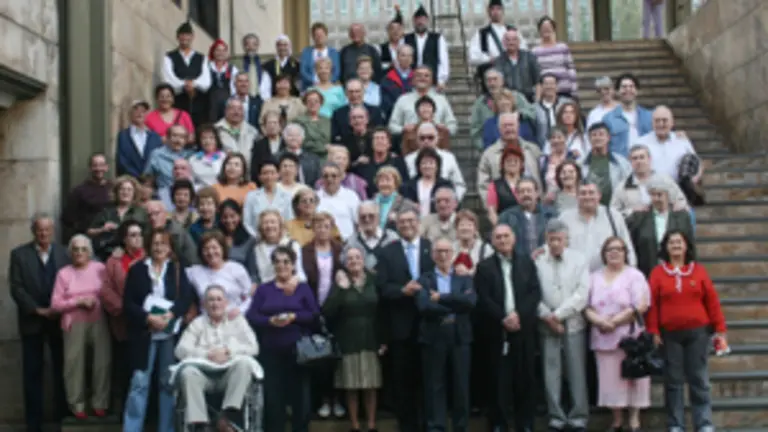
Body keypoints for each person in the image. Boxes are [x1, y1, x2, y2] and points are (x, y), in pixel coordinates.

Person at [647, 230, 727, 432]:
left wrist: (720, 330)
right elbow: (653, 305)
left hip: (698, 334)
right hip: (669, 335)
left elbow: (712, 301)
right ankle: (676, 424)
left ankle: (704, 423)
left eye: (679, 242)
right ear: (665, 247)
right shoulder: (657, 273)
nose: (675, 245)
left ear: (686, 246)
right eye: (671, 242)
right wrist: (654, 331)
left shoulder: (698, 271)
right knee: (673, 380)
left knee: (698, 378)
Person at [122, 228, 195, 432]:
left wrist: (170, 315)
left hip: (169, 333)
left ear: (170, 247)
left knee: (167, 383)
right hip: (143, 333)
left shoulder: (177, 269)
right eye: (155, 243)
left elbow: (185, 298)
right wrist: (148, 318)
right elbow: (128, 303)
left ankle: (167, 429)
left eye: (163, 243)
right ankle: (131, 428)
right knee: (139, 383)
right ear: (148, 245)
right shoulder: (137, 270)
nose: (159, 247)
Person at [474, 224, 541, 432]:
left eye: (506, 236)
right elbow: (483, 299)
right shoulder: (484, 267)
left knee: (525, 378)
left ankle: (525, 423)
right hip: (496, 331)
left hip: (523, 328)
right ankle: (499, 422)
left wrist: (518, 315)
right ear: (492, 242)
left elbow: (534, 293)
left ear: (514, 238)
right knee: (498, 379)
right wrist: (503, 318)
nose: (502, 240)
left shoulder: (526, 263)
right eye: (498, 237)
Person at [246, 246, 319, 432]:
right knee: (273, 398)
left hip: (298, 350)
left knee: (300, 398)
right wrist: (270, 320)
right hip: (271, 349)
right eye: (277, 261)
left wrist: (294, 317)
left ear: (293, 265)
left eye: (286, 261)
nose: (281, 265)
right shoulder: (264, 290)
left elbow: (314, 314)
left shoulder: (302, 288)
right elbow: (252, 316)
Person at [376, 207, 435, 432]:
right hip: (400, 327)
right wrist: (403, 290)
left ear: (418, 222)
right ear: (396, 226)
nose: (407, 225)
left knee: (429, 380)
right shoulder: (387, 252)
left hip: (428, 324)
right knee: (403, 381)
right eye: (402, 222)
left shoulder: (431, 248)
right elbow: (382, 287)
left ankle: (429, 424)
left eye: (411, 220)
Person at [10, 214, 70, 431]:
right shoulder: (19, 254)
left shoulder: (65, 253)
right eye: (39, 230)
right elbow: (16, 287)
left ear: (52, 230)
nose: (43, 234)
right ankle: (33, 424)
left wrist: (59, 308)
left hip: (59, 321)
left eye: (47, 229)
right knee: (32, 373)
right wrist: (37, 310)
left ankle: (63, 417)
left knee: (62, 370)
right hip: (32, 321)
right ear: (33, 231)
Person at [584, 236, 650, 432]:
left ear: (625, 253)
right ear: (604, 254)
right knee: (610, 381)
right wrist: (600, 321)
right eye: (609, 249)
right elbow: (585, 306)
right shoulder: (593, 277)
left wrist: (614, 321)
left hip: (629, 337)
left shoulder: (635, 276)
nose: (614, 252)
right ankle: (617, 420)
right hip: (602, 336)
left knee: (634, 379)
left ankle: (634, 420)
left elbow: (641, 305)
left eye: (619, 249)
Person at [173, 285, 260, 432]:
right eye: (211, 300)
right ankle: (201, 424)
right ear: (205, 305)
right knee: (188, 372)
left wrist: (228, 351)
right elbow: (180, 350)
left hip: (229, 375)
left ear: (226, 303)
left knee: (244, 365)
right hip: (204, 376)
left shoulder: (238, 321)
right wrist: (207, 354)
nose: (215, 303)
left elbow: (254, 347)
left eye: (219, 299)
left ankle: (227, 418)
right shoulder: (197, 323)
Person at [535, 220, 590, 432]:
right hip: (546, 325)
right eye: (551, 239)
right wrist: (547, 317)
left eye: (559, 239)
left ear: (566, 239)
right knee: (551, 372)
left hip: (573, 323)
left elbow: (582, 293)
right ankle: (556, 416)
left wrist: (558, 315)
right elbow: (532, 292)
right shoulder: (538, 259)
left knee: (576, 371)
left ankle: (578, 417)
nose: (555, 243)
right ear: (546, 239)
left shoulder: (579, 260)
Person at [416, 238, 476, 432]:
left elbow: (470, 302)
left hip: (459, 336)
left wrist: (441, 298)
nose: (442, 255)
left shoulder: (463, 277)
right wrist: (454, 307)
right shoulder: (424, 279)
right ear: (433, 255)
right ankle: (436, 427)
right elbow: (424, 306)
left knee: (461, 385)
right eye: (439, 251)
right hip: (434, 336)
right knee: (435, 385)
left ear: (453, 253)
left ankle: (461, 426)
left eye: (446, 251)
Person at [323, 245, 385, 431]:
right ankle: (355, 426)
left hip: (370, 338)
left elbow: (383, 312)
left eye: (357, 257)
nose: (354, 261)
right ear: (345, 263)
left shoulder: (373, 279)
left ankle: (372, 425)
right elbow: (327, 311)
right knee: (351, 386)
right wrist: (341, 290)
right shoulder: (340, 282)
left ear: (363, 259)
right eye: (350, 259)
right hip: (348, 340)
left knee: (370, 386)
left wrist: (383, 339)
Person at [50, 235, 111, 419]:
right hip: (74, 322)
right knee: (73, 364)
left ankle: (100, 403)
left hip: (99, 319)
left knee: (103, 362)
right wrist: (78, 301)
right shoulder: (64, 273)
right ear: (70, 252)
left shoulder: (100, 268)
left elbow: (108, 291)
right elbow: (55, 303)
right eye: (75, 249)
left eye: (84, 249)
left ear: (90, 252)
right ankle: (77, 405)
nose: (79, 253)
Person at [301, 212, 346, 419]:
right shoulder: (305, 251)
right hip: (313, 309)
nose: (321, 230)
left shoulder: (340, 249)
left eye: (326, 226)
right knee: (319, 358)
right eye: (318, 226)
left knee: (336, 358)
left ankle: (337, 399)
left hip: (336, 309)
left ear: (331, 228)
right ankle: (323, 400)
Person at [101, 220, 145, 413]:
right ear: (124, 239)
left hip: (146, 323)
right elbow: (106, 289)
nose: (136, 239)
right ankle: (125, 414)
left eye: (139, 234)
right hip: (123, 323)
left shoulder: (150, 258)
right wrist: (124, 308)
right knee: (124, 369)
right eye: (132, 235)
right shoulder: (114, 261)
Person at [558, 181, 636, 271]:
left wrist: (631, 272)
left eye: (591, 193)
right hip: (575, 278)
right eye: (583, 193)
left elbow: (627, 246)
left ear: (599, 195)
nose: (587, 197)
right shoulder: (564, 219)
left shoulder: (613, 216)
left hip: (609, 278)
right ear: (576, 196)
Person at [627, 179, 695, 278]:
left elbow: (690, 245)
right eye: (652, 195)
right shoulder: (639, 217)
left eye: (659, 195)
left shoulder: (682, 216)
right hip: (647, 271)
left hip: (677, 272)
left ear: (668, 195)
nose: (656, 199)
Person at [185, 231, 254, 317]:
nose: (210, 252)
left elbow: (250, 297)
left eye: (215, 248)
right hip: (207, 321)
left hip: (234, 319)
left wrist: (240, 310)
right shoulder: (194, 272)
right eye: (206, 249)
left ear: (222, 248)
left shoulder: (236, 268)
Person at [610, 144, 688, 218]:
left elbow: (681, 200)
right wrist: (631, 211)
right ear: (630, 162)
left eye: (642, 157)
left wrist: (675, 206)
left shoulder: (664, 180)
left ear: (649, 159)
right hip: (635, 227)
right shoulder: (622, 187)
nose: (639, 161)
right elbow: (613, 213)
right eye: (635, 158)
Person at [468, 0, 527, 90]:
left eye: (498, 9)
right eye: (493, 9)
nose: (496, 12)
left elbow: (524, 51)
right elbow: (472, 57)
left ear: (503, 11)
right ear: (488, 12)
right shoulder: (481, 33)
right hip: (491, 74)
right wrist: (489, 59)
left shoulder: (513, 30)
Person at [162, 22, 211, 127]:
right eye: (182, 35)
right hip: (178, 99)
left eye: (187, 35)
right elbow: (168, 78)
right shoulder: (169, 57)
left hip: (197, 101)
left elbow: (206, 81)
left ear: (192, 37)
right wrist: (184, 84)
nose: (185, 38)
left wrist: (194, 84)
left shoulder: (202, 58)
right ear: (177, 37)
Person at [87, 176, 148, 261]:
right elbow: (90, 232)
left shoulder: (141, 213)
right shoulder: (107, 211)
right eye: (122, 189)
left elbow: (147, 235)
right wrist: (102, 229)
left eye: (129, 190)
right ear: (116, 192)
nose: (125, 192)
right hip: (107, 253)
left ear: (134, 193)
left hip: (133, 255)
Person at [243, 209, 307, 286]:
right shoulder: (256, 249)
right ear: (261, 227)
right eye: (265, 223)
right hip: (266, 291)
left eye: (273, 222)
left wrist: (294, 280)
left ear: (280, 225)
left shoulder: (292, 245)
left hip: (289, 289)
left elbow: (301, 274)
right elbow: (254, 275)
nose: (269, 226)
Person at [498, 177, 558, 255]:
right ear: (517, 195)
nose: (526, 194)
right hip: (519, 263)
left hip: (546, 261)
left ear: (537, 193)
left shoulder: (551, 214)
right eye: (522, 191)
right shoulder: (506, 217)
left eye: (529, 191)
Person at [581, 122, 632, 206]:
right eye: (594, 135)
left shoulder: (621, 162)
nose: (597, 138)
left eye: (601, 134)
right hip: (589, 208)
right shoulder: (581, 163)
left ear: (608, 137)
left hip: (615, 210)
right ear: (589, 139)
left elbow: (629, 187)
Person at [602, 73, 653, 158]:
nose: (628, 90)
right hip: (620, 167)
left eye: (631, 86)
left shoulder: (649, 116)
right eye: (624, 87)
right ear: (617, 91)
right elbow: (602, 146)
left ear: (637, 91)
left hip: (644, 165)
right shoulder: (608, 119)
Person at [345, 201, 401, 271]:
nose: (367, 219)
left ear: (378, 217)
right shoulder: (351, 243)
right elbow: (344, 265)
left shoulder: (392, 238)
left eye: (371, 216)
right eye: (363, 217)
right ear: (358, 220)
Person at [243, 160, 294, 236]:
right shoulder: (251, 196)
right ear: (259, 177)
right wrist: (257, 237)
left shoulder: (287, 196)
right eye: (265, 173)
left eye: (272, 173)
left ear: (278, 175)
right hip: (257, 239)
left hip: (281, 240)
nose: (269, 176)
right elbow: (247, 223)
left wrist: (281, 238)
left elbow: (290, 221)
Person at [404, 5, 450, 90]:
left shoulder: (437, 38)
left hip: (432, 83)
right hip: (411, 82)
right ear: (414, 21)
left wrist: (441, 81)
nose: (420, 22)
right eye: (418, 20)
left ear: (427, 21)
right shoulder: (406, 39)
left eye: (423, 19)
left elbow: (443, 61)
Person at [400, 147, 454, 217]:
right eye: (424, 163)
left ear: (437, 166)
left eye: (431, 163)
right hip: (414, 223)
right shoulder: (408, 186)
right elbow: (402, 205)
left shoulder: (446, 184)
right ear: (418, 166)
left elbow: (453, 205)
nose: (427, 166)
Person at [116, 100, 163, 177]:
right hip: (130, 181)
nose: (140, 113)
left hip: (151, 183)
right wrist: (138, 177)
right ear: (129, 114)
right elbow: (122, 162)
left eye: (143, 111)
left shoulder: (155, 137)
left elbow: (159, 161)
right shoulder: (123, 136)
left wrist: (149, 179)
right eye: (136, 110)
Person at [532, 17, 577, 98]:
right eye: (543, 28)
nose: (546, 30)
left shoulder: (563, 47)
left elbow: (571, 69)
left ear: (553, 29)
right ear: (539, 30)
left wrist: (574, 89)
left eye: (549, 27)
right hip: (545, 92)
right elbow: (534, 74)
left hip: (564, 90)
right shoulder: (535, 51)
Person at [493, 28, 541, 103]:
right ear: (504, 42)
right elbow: (497, 85)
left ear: (519, 41)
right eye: (508, 40)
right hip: (507, 101)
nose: (511, 42)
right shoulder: (498, 61)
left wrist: (537, 102)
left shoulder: (529, 57)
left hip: (528, 99)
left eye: (514, 39)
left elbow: (538, 81)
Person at [316, 162, 361, 241]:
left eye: (334, 176)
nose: (329, 179)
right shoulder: (315, 197)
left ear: (340, 177)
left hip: (347, 244)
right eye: (326, 176)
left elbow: (359, 223)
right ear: (321, 178)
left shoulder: (351, 196)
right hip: (322, 244)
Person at [300, 22, 341, 91]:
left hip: (329, 88)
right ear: (313, 36)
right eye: (316, 35)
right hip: (310, 87)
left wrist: (326, 84)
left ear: (326, 35)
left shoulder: (334, 52)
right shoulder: (306, 52)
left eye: (321, 35)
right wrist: (315, 83)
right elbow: (303, 71)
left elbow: (336, 72)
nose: (319, 38)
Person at [371, 166, 415, 230]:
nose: (384, 184)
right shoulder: (371, 203)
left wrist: (398, 219)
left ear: (396, 183)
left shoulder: (406, 204)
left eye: (388, 180)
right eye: (381, 180)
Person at [207, 39, 239, 122]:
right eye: (218, 50)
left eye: (223, 50)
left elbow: (234, 88)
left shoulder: (232, 69)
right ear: (213, 52)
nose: (220, 53)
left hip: (226, 101)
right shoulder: (207, 67)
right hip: (209, 102)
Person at [293, 89, 332, 158]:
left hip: (327, 156)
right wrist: (324, 147)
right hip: (307, 157)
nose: (313, 103)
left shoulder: (327, 120)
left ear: (321, 103)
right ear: (305, 103)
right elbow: (303, 142)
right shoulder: (298, 121)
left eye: (316, 101)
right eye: (309, 101)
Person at [380, 45, 415, 120]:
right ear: (397, 58)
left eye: (409, 56)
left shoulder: (417, 78)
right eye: (403, 55)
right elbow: (386, 103)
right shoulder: (387, 79)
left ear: (412, 59)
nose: (407, 59)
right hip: (394, 118)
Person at [188, 124, 226, 188]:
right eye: (204, 138)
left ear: (217, 140)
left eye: (211, 138)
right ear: (199, 141)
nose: (207, 141)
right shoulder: (193, 159)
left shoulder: (224, 157)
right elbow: (191, 181)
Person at [217, 199, 254, 264]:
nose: (229, 220)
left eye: (232, 216)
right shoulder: (215, 238)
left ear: (239, 216)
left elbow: (252, 268)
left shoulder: (250, 240)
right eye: (225, 217)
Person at [241, 33, 272, 100]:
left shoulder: (264, 65)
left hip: (260, 100)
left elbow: (266, 89)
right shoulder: (238, 65)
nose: (251, 47)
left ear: (258, 46)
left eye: (254, 44)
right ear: (243, 46)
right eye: (247, 44)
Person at [379, 6, 405, 70]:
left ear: (402, 31)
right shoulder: (381, 48)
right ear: (388, 31)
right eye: (392, 29)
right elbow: (378, 66)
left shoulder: (408, 45)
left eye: (398, 29)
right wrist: (390, 65)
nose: (395, 32)